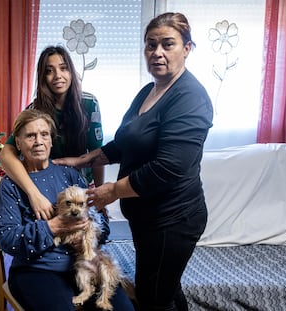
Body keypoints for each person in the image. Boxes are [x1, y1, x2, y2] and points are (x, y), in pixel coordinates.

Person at [53, 12, 214, 311]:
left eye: (168, 44)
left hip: (173, 220)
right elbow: (125, 143)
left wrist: (111, 191)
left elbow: (168, 169)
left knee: (153, 298)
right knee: (163, 289)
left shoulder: (190, 98)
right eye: (151, 45)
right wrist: (81, 159)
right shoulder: (149, 90)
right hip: (147, 218)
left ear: (187, 48)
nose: (157, 53)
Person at [0, 109, 135, 311]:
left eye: (44, 134)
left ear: (51, 141)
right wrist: (53, 227)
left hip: (83, 265)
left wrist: (90, 231)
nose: (38, 141)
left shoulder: (70, 174)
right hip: (36, 271)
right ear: (17, 143)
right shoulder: (10, 185)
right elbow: (8, 239)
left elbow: (103, 225)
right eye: (30, 136)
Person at [0, 45, 105, 221]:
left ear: (71, 71)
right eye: (50, 71)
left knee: (93, 231)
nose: (58, 76)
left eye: (63, 68)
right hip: (47, 185)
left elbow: (98, 153)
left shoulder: (89, 103)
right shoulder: (34, 109)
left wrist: (99, 197)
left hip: (81, 185)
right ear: (43, 77)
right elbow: (6, 155)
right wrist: (34, 194)